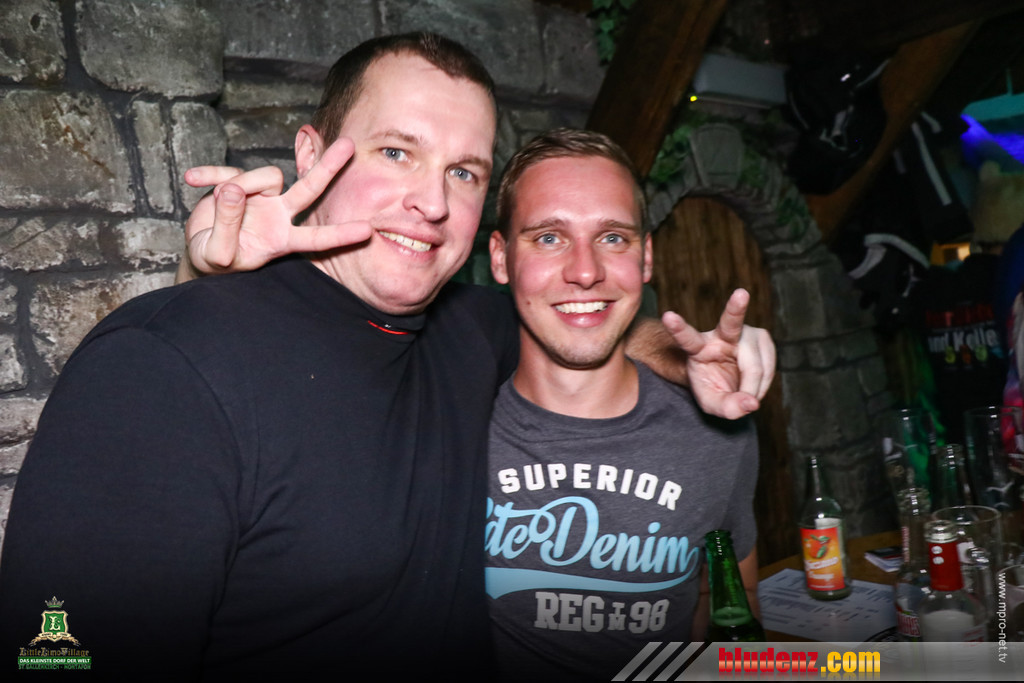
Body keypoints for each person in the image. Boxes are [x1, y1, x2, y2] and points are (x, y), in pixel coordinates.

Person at [0, 33, 772, 680]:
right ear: (312, 154)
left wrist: (690, 353)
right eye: (397, 152)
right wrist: (202, 289)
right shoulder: (160, 368)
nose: (432, 202)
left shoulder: (466, 333)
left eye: (462, 172)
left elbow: (580, 317)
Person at [482, 130, 758, 681]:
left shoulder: (717, 428)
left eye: (612, 238)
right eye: (548, 238)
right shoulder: (452, 415)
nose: (586, 271)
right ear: (500, 258)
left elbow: (731, 599)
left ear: (646, 256)